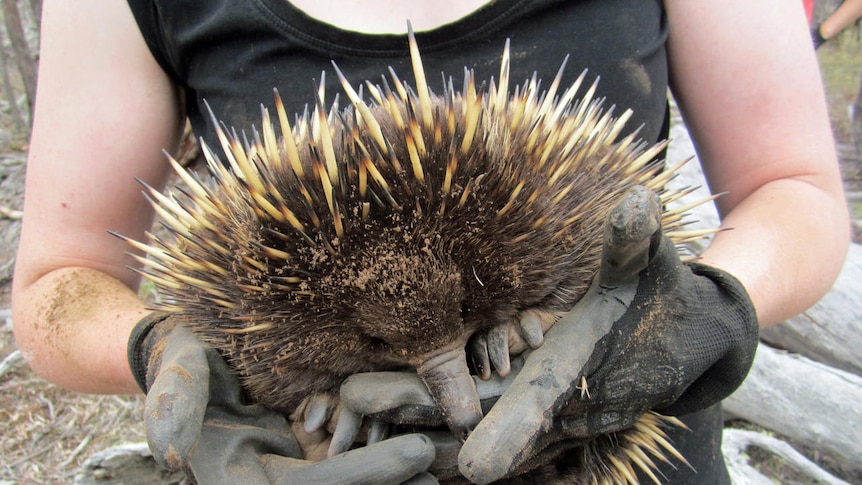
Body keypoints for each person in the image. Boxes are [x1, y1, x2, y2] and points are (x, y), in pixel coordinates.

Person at [12, 0, 849, 483]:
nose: (454, 392)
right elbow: (57, 278)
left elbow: (797, 189)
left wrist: (703, 308)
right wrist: (156, 344)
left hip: (616, 452)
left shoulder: (538, 210)